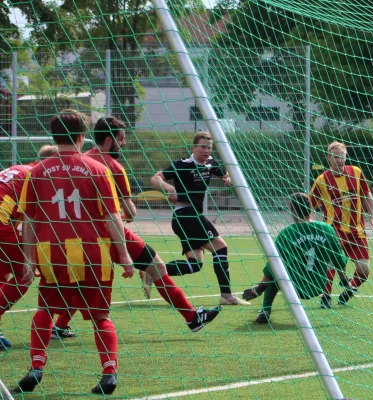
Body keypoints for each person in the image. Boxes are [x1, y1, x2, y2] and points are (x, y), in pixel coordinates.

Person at [50, 116, 220, 340]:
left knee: (83, 282)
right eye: (122, 139)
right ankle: (192, 317)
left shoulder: (80, 160)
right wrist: (121, 213)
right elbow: (130, 212)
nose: (125, 143)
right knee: (157, 267)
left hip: (78, 235)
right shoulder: (114, 168)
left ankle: (59, 326)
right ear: (109, 140)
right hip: (111, 232)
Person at [13, 110, 135, 395]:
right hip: (93, 255)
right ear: (82, 137)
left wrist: (29, 259)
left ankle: (37, 367)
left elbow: (29, 220)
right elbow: (112, 217)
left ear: (53, 136)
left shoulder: (36, 171)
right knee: (100, 316)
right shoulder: (98, 168)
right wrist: (125, 255)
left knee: (45, 311)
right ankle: (109, 373)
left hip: (52, 254)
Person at [151, 131, 249, 306]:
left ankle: (151, 272)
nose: (206, 150)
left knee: (195, 265)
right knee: (220, 247)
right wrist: (169, 189)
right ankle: (226, 295)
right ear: (194, 147)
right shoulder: (183, 165)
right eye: (203, 147)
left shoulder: (211, 163)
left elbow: (225, 175)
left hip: (187, 218)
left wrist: (227, 178)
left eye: (209, 147)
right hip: (186, 215)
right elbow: (155, 178)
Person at [242, 193, 351, 323]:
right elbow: (338, 259)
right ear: (311, 208)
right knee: (329, 256)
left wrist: (259, 289)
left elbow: (271, 267)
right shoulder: (327, 229)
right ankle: (326, 298)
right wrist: (344, 280)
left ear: (291, 209)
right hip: (318, 286)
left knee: (275, 270)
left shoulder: (287, 233)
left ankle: (265, 310)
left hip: (293, 288)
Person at [309, 141, 373, 308]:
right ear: (329, 158)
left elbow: (367, 194)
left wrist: (372, 217)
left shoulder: (356, 172)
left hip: (357, 231)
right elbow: (309, 204)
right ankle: (325, 297)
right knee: (331, 264)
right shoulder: (322, 180)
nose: (339, 160)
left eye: (342, 157)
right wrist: (310, 223)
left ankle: (350, 288)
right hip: (334, 231)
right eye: (335, 157)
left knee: (364, 270)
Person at [0, 145, 57, 350]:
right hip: (1, 225)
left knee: (3, 273)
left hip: (5, 225)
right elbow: (36, 222)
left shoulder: (20, 169)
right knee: (26, 273)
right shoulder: (37, 178)